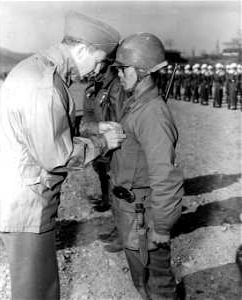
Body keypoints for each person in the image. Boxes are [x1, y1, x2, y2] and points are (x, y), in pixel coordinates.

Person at [0, 11, 126, 300]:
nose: (97, 70)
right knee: (38, 292)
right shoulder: (45, 84)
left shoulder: (38, 69)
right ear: (81, 49)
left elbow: (46, 124)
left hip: (22, 198)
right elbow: (57, 157)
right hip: (27, 207)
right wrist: (103, 142)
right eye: (98, 60)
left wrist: (91, 125)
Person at [110, 33, 184, 300]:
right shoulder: (137, 105)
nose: (118, 75)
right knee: (143, 282)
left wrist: (162, 227)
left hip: (145, 219)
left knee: (158, 288)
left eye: (123, 69)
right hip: (132, 213)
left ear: (142, 70)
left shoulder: (151, 113)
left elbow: (166, 175)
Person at [79, 53, 126, 252]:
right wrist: (95, 130)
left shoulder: (117, 86)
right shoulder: (98, 86)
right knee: (112, 189)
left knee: (120, 191)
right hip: (106, 146)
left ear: (105, 62)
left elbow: (119, 121)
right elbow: (88, 117)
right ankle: (120, 228)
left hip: (117, 147)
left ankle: (126, 235)